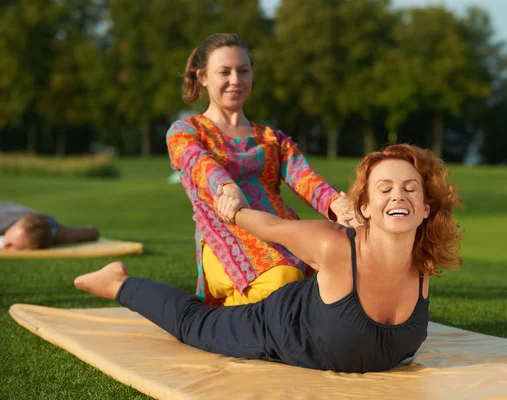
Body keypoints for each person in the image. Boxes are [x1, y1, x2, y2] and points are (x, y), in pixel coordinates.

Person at [74, 144, 463, 373]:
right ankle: (118, 283)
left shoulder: (423, 264)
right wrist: (233, 209)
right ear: (365, 204)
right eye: (385, 188)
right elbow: (273, 228)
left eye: (410, 188)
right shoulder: (335, 246)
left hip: (319, 313)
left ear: (426, 208)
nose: (399, 196)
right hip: (278, 326)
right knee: (197, 325)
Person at [166, 33, 353, 306]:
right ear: (203, 77)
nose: (235, 80)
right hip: (225, 237)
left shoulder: (272, 138)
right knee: (283, 282)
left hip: (282, 234)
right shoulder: (185, 132)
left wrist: (340, 205)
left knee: (338, 275)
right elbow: (199, 163)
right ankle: (221, 317)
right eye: (224, 72)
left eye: (243, 71)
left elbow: (305, 178)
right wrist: (227, 188)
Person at [0, 202, 100, 251]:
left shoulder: (59, 234)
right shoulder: (4, 223)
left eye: (12, 245)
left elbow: (93, 232)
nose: (4, 246)